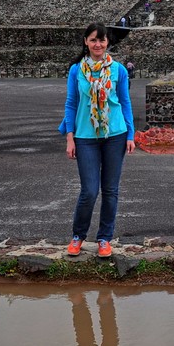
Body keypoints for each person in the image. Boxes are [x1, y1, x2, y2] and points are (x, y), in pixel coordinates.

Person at [58, 23, 135, 259]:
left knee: (110, 190)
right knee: (89, 191)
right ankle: (78, 236)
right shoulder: (76, 71)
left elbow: (125, 103)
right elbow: (71, 104)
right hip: (85, 136)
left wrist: (131, 134)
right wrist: (70, 137)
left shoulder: (118, 70)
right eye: (93, 40)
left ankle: (104, 238)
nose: (98, 45)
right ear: (86, 42)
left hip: (115, 134)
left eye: (101, 40)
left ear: (107, 43)